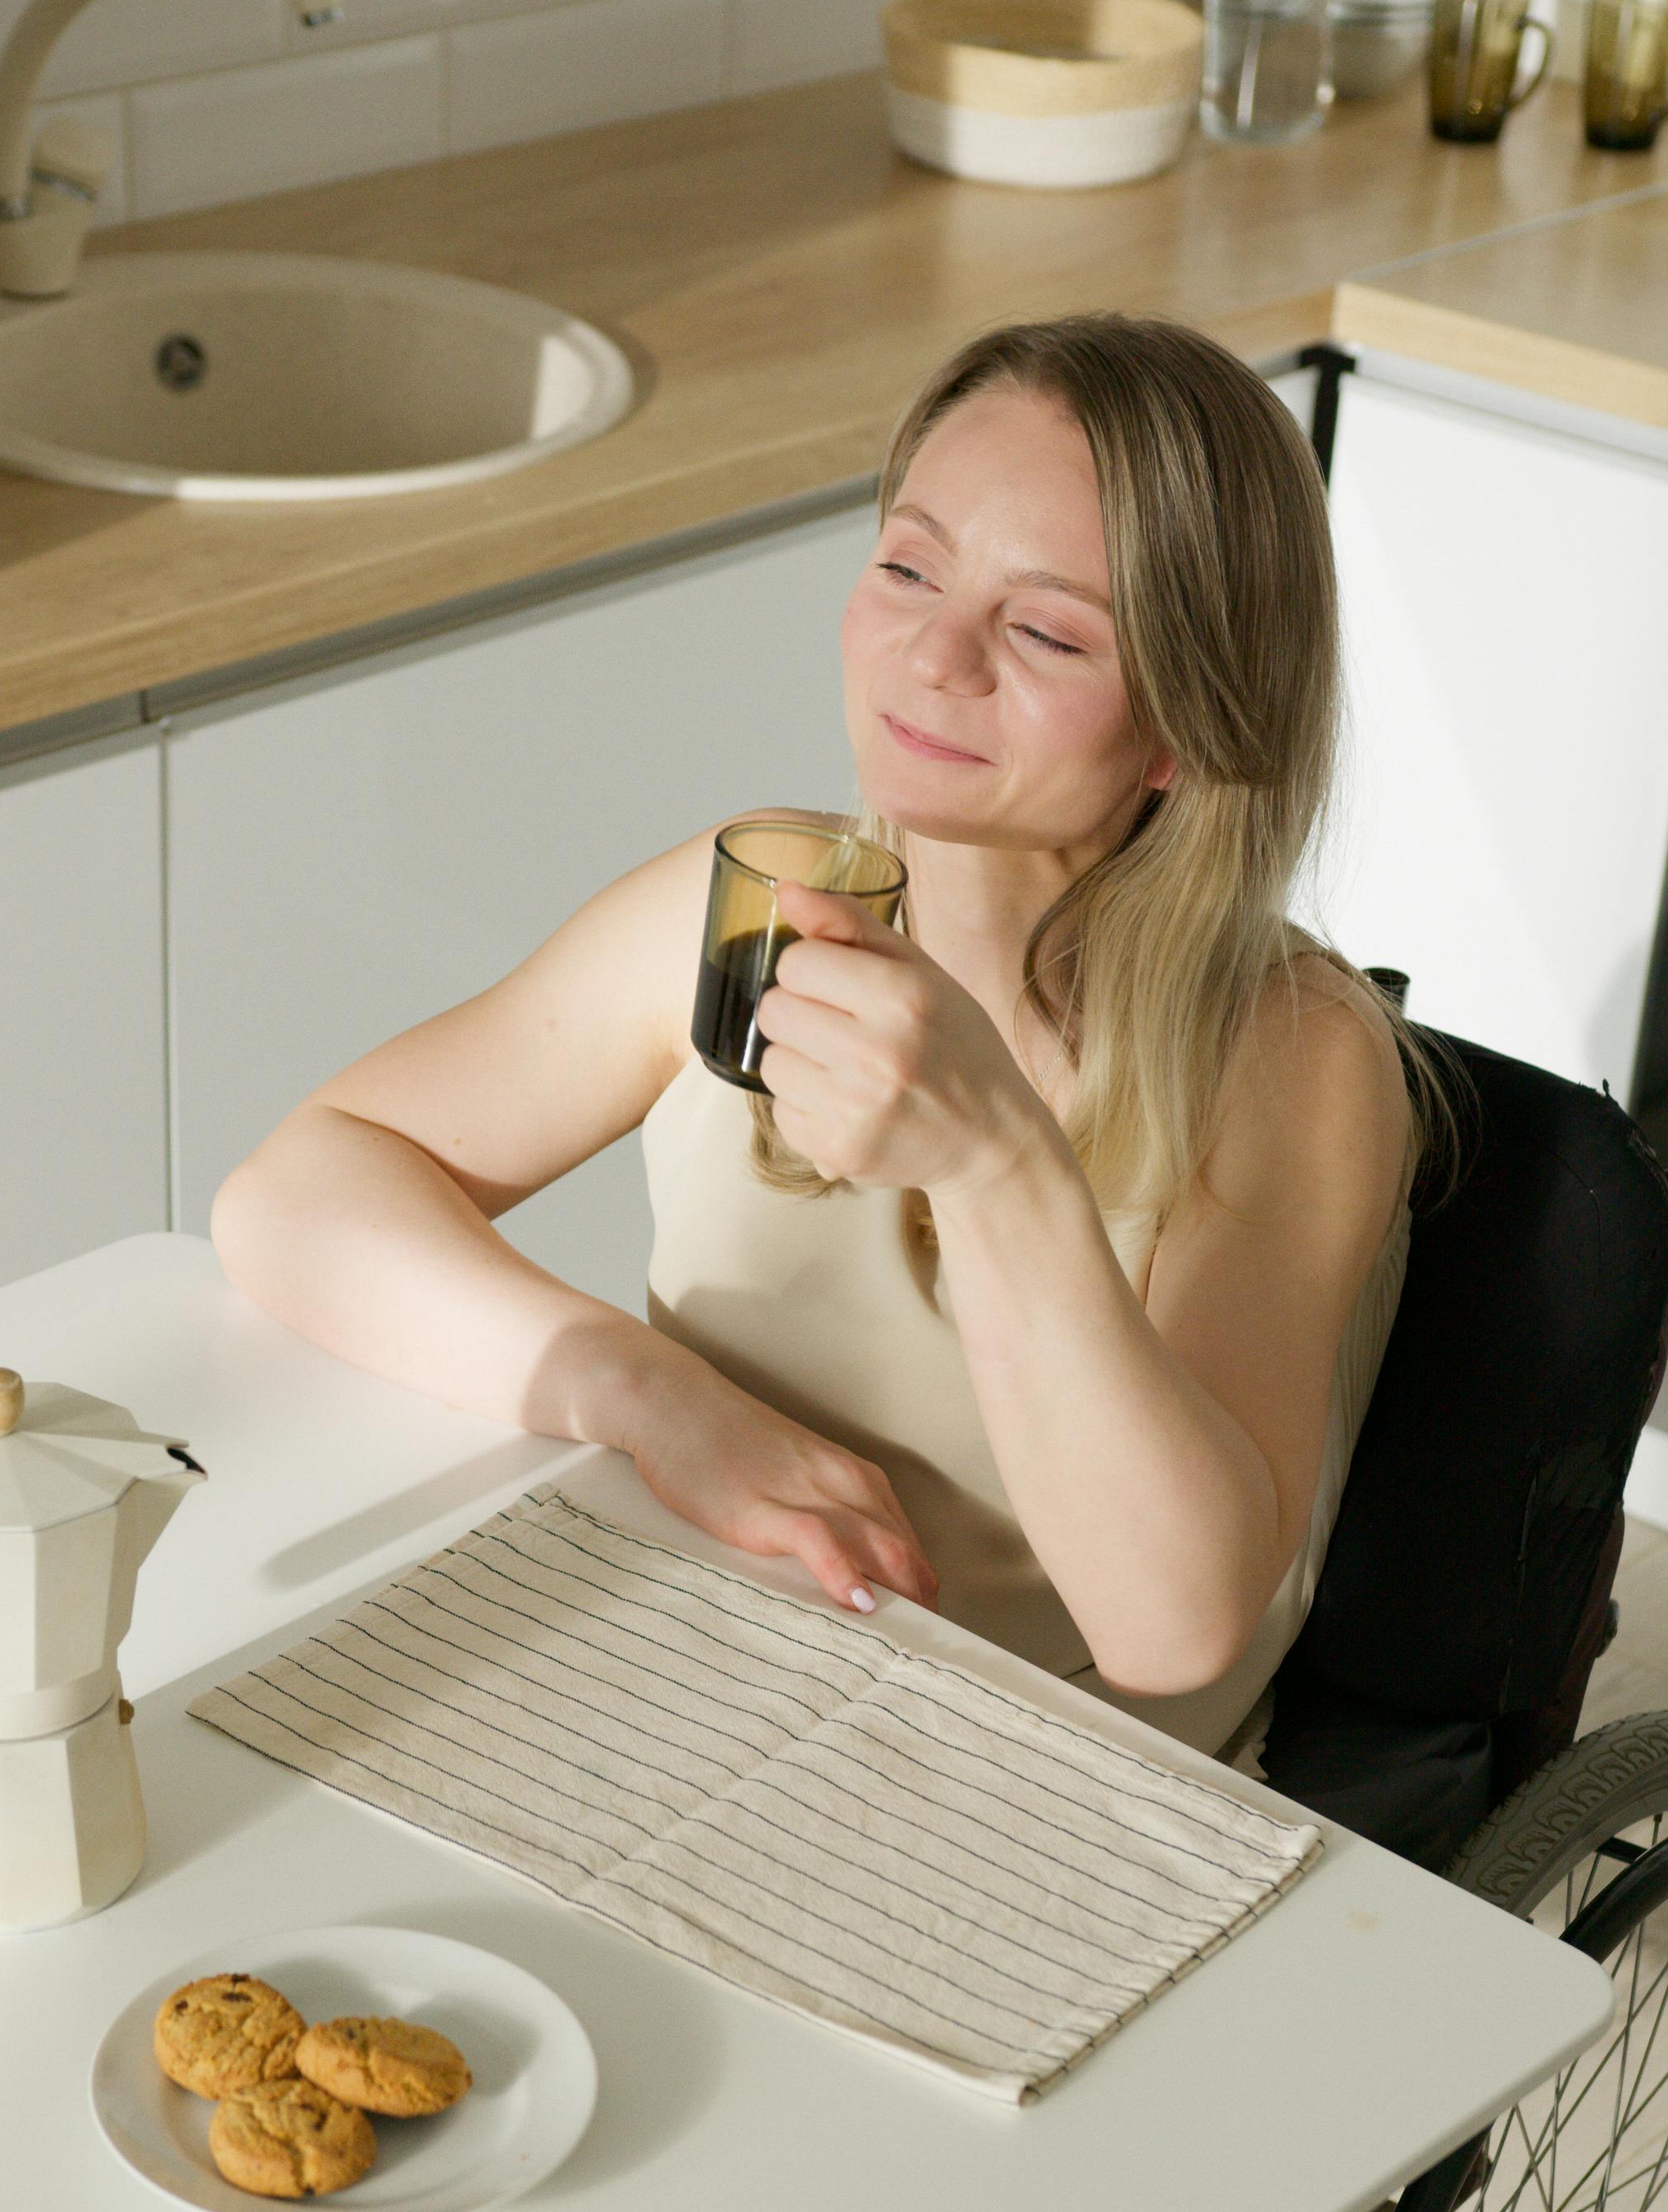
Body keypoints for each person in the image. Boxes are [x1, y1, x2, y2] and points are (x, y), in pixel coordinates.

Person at [212, 312, 1425, 1769]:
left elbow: (1173, 1629)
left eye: (1042, 630)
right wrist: (664, 1404)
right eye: (908, 566)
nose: (931, 653)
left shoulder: (1292, 1055)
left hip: (1043, 1789)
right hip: (702, 1688)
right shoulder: (748, 900)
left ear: (1184, 724)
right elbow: (296, 1195)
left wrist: (996, 1168)